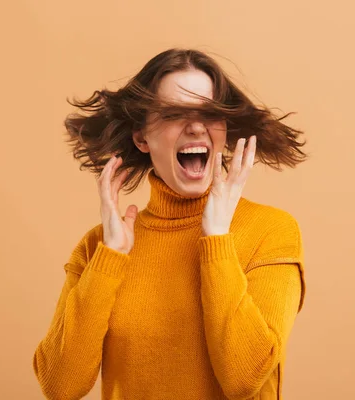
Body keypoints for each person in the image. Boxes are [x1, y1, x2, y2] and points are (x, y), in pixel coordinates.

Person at [32, 48, 308, 400]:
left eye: (209, 113)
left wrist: (217, 242)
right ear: (142, 138)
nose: (195, 126)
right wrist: (109, 260)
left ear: (223, 132)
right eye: (174, 114)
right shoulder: (100, 247)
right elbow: (60, 386)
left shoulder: (271, 231)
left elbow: (243, 378)